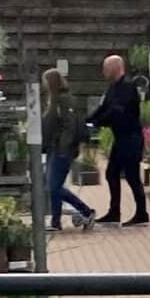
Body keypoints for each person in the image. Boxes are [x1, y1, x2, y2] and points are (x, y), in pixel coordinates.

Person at [86, 55, 148, 226]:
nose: (103, 72)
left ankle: (142, 213)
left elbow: (116, 112)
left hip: (131, 139)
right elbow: (103, 108)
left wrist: (98, 122)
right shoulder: (113, 88)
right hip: (120, 139)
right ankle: (114, 212)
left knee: (132, 176)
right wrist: (88, 120)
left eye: (106, 68)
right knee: (112, 173)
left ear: (115, 68)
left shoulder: (127, 88)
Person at [41, 69, 95, 232]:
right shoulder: (55, 100)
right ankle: (56, 221)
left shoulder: (62, 100)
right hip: (54, 147)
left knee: (54, 186)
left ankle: (86, 211)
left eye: (45, 82)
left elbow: (69, 125)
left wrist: (63, 147)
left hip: (61, 149)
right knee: (54, 186)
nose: (44, 85)